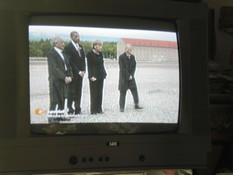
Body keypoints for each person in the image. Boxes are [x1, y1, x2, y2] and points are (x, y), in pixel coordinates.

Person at [47, 37, 73, 111]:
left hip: (64, 80)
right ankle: (52, 118)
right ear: (56, 43)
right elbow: (55, 68)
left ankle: (60, 116)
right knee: (54, 100)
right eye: (62, 42)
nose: (63, 44)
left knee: (62, 98)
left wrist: (70, 76)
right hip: (55, 80)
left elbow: (68, 66)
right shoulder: (51, 54)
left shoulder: (63, 53)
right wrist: (64, 77)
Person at [64, 31, 86, 115]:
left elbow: (83, 59)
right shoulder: (68, 47)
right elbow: (70, 61)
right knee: (71, 92)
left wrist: (83, 70)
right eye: (76, 36)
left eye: (78, 36)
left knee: (79, 91)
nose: (78, 38)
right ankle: (70, 109)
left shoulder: (80, 46)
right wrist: (78, 71)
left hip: (81, 75)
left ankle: (78, 108)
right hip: (73, 74)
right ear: (71, 37)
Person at [118, 44, 143, 112]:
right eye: (128, 49)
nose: (129, 51)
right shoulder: (121, 57)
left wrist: (131, 75)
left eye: (131, 49)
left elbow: (134, 66)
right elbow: (122, 68)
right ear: (125, 49)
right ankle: (121, 107)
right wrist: (128, 76)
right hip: (124, 78)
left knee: (134, 91)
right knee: (123, 93)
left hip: (131, 78)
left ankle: (136, 104)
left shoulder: (132, 57)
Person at [86, 40, 107, 115]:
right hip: (93, 77)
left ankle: (99, 109)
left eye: (101, 46)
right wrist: (91, 76)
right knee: (94, 93)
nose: (101, 47)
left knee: (100, 93)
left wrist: (104, 72)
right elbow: (89, 66)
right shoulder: (89, 54)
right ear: (95, 46)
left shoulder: (100, 53)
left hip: (100, 75)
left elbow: (102, 64)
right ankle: (93, 110)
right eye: (99, 46)